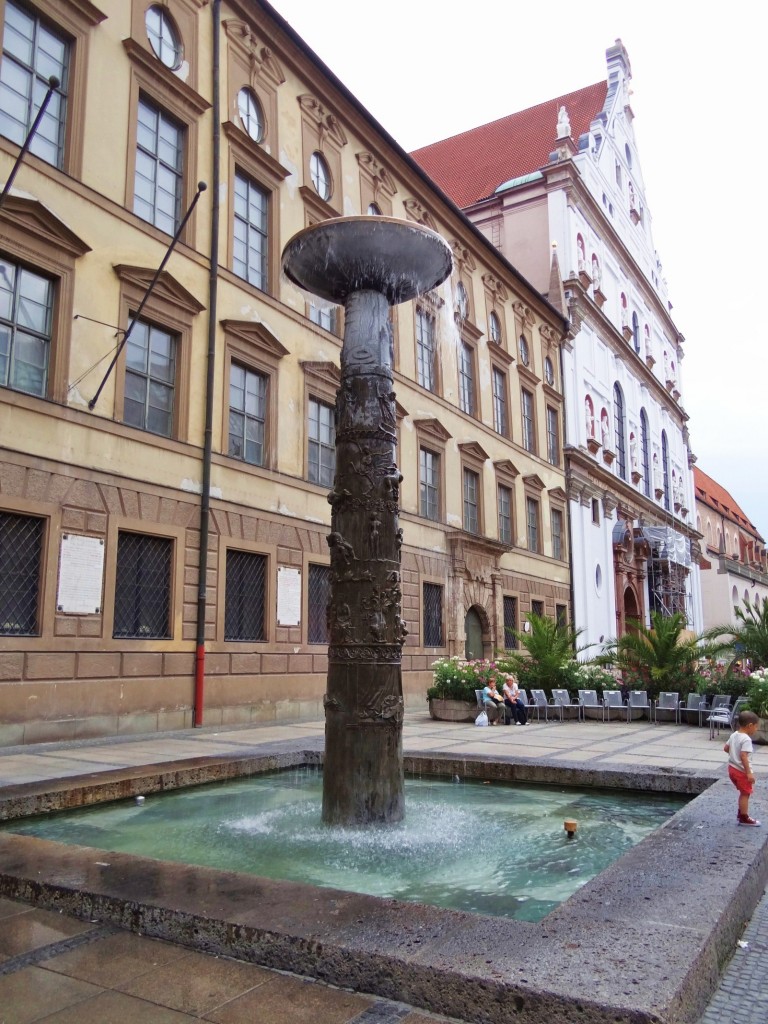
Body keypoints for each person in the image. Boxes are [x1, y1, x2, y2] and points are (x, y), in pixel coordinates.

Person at [724, 711, 761, 826]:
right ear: (750, 725)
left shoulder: (734, 734)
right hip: (741, 771)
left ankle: (741, 814)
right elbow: (744, 756)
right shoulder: (746, 739)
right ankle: (744, 818)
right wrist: (749, 773)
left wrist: (734, 755)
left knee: (743, 792)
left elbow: (726, 748)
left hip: (732, 769)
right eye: (756, 726)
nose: (756, 729)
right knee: (745, 793)